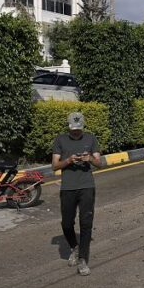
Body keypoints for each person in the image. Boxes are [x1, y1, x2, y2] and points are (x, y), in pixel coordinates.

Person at [51, 112, 102, 276]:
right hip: (68, 187)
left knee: (86, 223)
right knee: (66, 223)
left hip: (87, 186)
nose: (76, 133)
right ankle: (74, 247)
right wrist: (69, 161)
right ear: (69, 127)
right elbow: (54, 166)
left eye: (79, 130)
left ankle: (82, 259)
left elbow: (99, 163)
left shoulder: (91, 138)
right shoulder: (60, 140)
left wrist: (89, 159)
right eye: (73, 130)